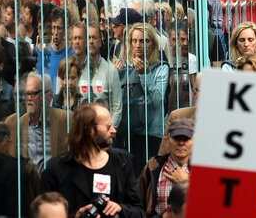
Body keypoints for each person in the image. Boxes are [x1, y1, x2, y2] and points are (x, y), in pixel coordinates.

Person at [41, 102, 145, 217]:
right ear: (90, 130)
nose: (113, 130)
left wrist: (120, 209)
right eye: (108, 126)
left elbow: (139, 212)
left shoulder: (122, 163)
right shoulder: (56, 170)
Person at [116, 22, 170, 173]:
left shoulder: (161, 68)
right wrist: (115, 75)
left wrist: (144, 75)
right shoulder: (123, 67)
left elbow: (157, 100)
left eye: (144, 41)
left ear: (152, 44)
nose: (138, 45)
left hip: (149, 134)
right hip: (126, 133)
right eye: (135, 41)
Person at [5, 73, 72, 173]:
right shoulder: (12, 123)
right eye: (27, 94)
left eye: (33, 94)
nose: (28, 98)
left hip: (53, 185)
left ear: (47, 96)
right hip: (26, 185)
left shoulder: (66, 119)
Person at [137, 118, 193, 216]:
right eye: (176, 138)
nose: (181, 143)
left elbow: (211, 205)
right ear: (167, 141)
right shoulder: (153, 167)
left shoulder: (203, 172)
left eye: (186, 139)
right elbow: (136, 205)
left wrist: (188, 183)